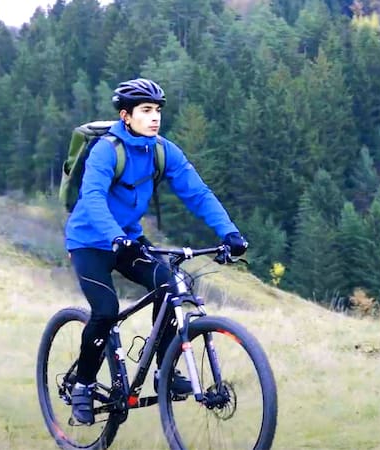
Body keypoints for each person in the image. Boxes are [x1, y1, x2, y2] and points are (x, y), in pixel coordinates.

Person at [64, 78, 248, 425]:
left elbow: (198, 193)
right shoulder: (106, 150)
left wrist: (229, 232)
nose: (155, 117)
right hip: (90, 241)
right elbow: (93, 197)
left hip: (128, 240)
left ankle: (165, 370)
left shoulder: (163, 151)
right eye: (146, 110)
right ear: (126, 116)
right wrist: (114, 236)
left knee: (170, 286)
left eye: (158, 110)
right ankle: (83, 385)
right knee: (105, 311)